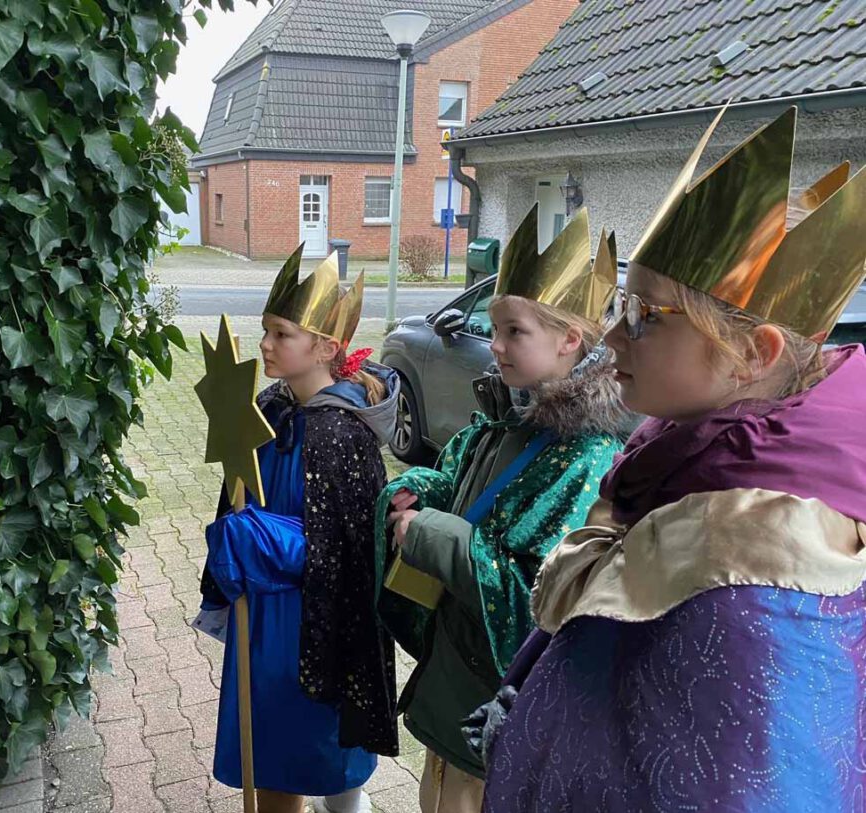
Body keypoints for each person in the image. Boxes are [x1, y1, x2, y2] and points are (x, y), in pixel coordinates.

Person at [480, 107, 866, 812]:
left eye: (643, 316)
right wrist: (531, 702)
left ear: (753, 354)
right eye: (621, 305)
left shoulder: (766, 577)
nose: (612, 339)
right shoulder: (685, 461)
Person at [377, 207, 635, 813]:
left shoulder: (584, 457)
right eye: (494, 328)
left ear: (569, 340)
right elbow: (460, 484)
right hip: (458, 672)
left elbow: (536, 599)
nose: (493, 345)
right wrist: (424, 491)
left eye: (513, 331)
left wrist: (428, 533)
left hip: (493, 704)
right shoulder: (508, 418)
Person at [198, 245, 400, 813]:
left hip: (312, 624)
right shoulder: (271, 409)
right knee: (271, 748)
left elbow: (351, 552)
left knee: (317, 741)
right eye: (266, 330)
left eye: (281, 334)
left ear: (326, 348)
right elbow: (238, 495)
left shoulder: (342, 433)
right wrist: (235, 539)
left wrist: (261, 539)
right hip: (263, 615)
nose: (265, 343)